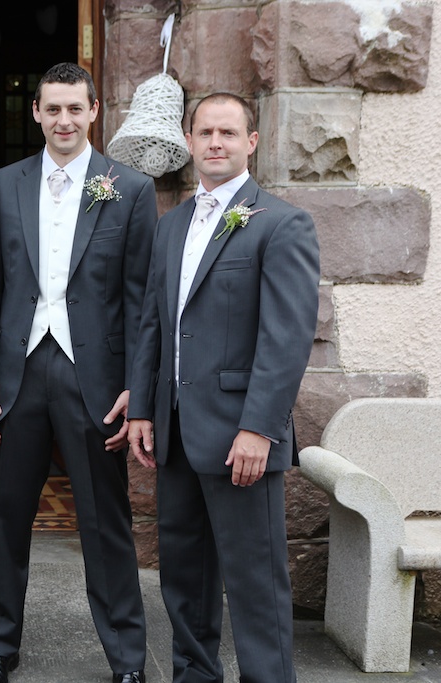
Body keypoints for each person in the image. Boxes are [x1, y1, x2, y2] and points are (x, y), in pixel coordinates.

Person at [127, 92, 320, 683]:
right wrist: (142, 406)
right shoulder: (173, 225)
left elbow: (286, 339)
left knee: (255, 578)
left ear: (250, 143)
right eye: (205, 133)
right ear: (189, 140)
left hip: (243, 437)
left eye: (228, 134)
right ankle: (193, 673)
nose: (216, 143)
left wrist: (259, 427)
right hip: (177, 429)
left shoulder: (283, 224)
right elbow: (153, 322)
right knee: (184, 570)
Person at [0, 62, 154, 683]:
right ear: (36, 114)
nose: (64, 120)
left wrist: (138, 383)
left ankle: (127, 658)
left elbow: (140, 299)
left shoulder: (128, 188)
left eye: (75, 108)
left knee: (106, 521)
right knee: (9, 514)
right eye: (52, 109)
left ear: (94, 110)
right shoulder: (4, 184)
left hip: (95, 379)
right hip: (17, 369)